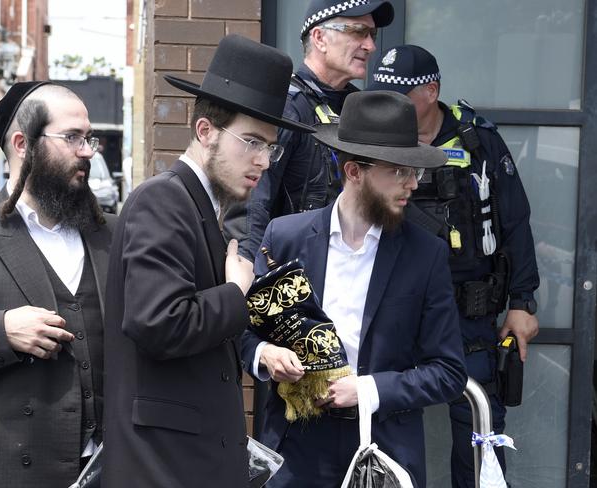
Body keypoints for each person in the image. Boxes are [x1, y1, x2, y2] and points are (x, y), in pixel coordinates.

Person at [102, 34, 313, 488]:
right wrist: (236, 293)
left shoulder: (199, 207)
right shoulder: (162, 201)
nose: (264, 161)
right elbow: (158, 322)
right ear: (205, 131)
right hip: (162, 466)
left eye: (271, 147)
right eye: (252, 142)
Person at [241, 90, 468, 488]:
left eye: (414, 171)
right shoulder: (285, 237)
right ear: (354, 172)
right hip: (296, 448)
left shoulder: (425, 254)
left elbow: (448, 372)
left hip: (384, 448)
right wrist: (266, 354)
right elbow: (245, 331)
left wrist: (367, 389)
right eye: (399, 170)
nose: (412, 184)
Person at [367, 44, 540, 487]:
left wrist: (523, 301)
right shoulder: (377, 139)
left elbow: (515, 221)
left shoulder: (477, 139)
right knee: (385, 424)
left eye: (398, 95)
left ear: (430, 91)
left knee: (479, 429)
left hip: (469, 314)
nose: (388, 105)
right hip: (395, 308)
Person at [0, 81, 114, 487]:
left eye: (89, 138)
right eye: (72, 137)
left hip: (106, 472)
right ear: (23, 144)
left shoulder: (112, 234)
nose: (88, 150)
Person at [224, 0, 395, 261]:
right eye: (358, 32)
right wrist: (250, 278)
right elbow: (251, 209)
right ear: (320, 38)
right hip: (295, 284)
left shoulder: (360, 110)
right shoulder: (288, 109)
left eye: (372, 35)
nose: (370, 46)